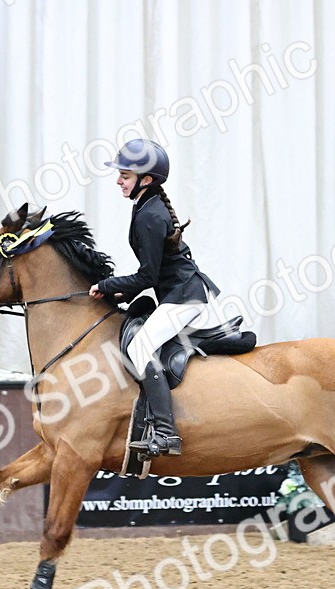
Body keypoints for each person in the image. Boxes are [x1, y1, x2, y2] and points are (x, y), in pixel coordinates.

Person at [89, 139, 229, 457]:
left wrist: (109, 284)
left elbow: (148, 276)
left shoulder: (149, 216)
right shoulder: (145, 206)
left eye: (124, 175)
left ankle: (167, 433)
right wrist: (124, 289)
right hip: (175, 292)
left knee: (140, 347)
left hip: (184, 296)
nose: (118, 180)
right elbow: (152, 274)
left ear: (146, 179)